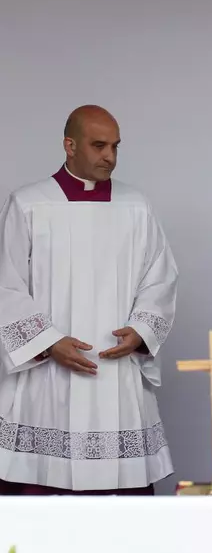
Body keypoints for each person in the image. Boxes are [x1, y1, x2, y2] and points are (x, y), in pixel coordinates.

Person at [0, 105, 177, 494]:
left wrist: (141, 330)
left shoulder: (136, 206)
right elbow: (6, 285)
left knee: (123, 506)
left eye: (115, 146)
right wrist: (48, 343)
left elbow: (160, 277)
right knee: (42, 502)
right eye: (99, 146)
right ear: (69, 145)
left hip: (117, 372)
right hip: (48, 377)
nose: (109, 156)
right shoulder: (29, 204)